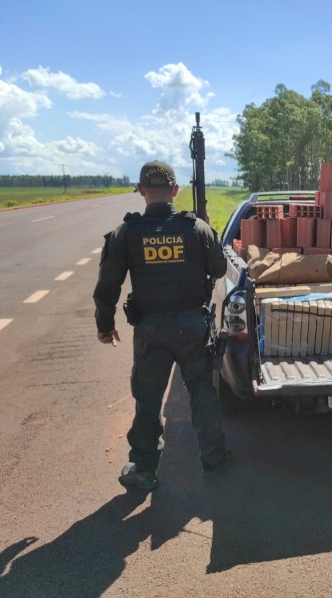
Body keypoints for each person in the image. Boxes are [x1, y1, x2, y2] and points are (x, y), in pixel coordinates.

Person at [93, 160, 231, 491]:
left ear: (140, 190)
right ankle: (214, 461)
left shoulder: (127, 233)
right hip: (191, 327)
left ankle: (143, 470)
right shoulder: (195, 228)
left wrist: (105, 324)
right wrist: (208, 231)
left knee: (148, 398)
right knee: (201, 392)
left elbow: (108, 284)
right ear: (175, 191)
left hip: (150, 330)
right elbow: (220, 268)